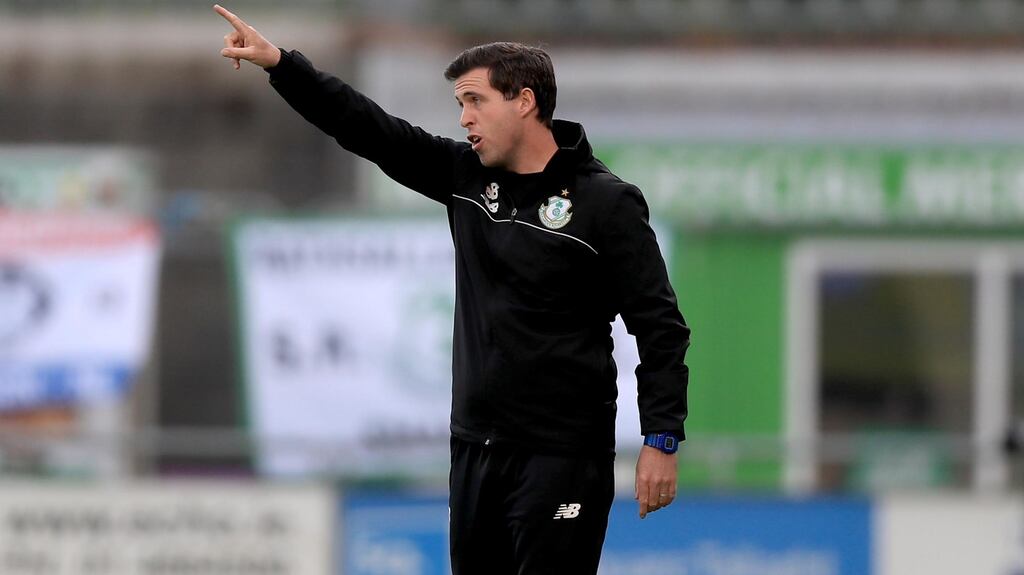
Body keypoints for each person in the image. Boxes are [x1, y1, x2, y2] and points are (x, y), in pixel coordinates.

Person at [215, 5, 691, 574]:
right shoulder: (467, 179)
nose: (464, 118)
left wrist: (662, 440)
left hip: (562, 454)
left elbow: (659, 328)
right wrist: (281, 65)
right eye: (459, 104)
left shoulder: (605, 204)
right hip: (475, 448)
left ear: (524, 101)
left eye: (474, 101)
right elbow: (368, 129)